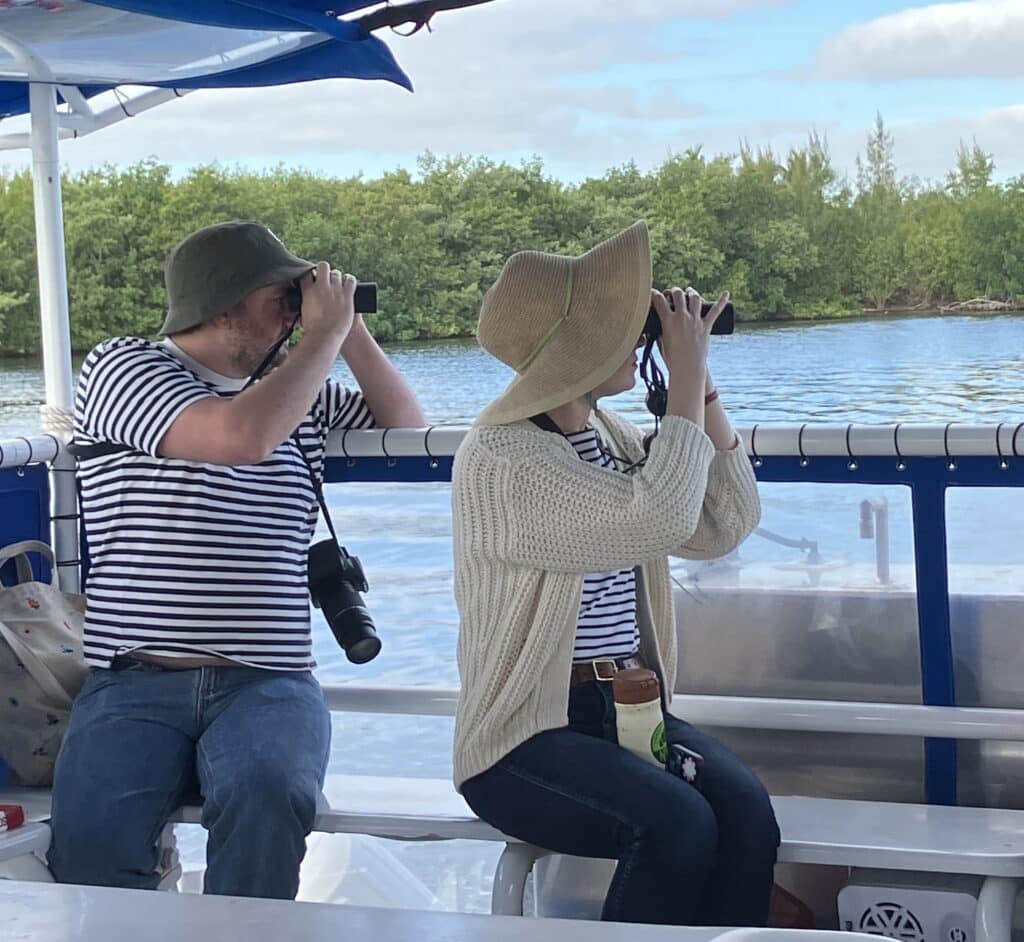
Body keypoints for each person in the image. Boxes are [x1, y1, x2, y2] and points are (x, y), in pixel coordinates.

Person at [48, 220, 426, 898]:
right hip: (137, 676)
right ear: (224, 309)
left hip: (269, 681)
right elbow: (238, 436)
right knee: (90, 845)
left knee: (269, 795)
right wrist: (321, 338)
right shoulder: (124, 367)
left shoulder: (293, 389)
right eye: (281, 294)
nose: (294, 306)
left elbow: (408, 430)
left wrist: (349, 332)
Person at [451, 220, 779, 926]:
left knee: (748, 815)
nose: (638, 334)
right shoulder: (504, 458)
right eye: (622, 325)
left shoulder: (611, 435)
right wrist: (683, 378)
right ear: (577, 350)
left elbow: (726, 521)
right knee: (674, 826)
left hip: (626, 714)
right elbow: (656, 518)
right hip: (524, 737)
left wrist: (703, 386)